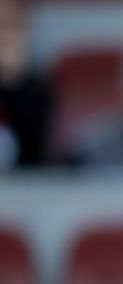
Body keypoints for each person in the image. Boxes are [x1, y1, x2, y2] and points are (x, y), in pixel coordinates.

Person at [0, 0, 53, 167]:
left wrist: (12, 81)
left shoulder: (37, 89)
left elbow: (30, 159)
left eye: (14, 26)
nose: (6, 36)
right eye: (1, 24)